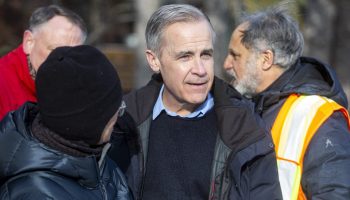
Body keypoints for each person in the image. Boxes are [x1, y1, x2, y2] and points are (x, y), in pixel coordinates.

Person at [108, 4, 282, 200]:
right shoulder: (122, 122)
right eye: (185, 56)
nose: (200, 69)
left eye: (206, 55)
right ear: (154, 60)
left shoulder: (245, 127)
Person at [223, 5, 350, 200]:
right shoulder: (248, 109)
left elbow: (336, 194)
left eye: (235, 55)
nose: (226, 64)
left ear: (266, 59)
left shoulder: (320, 117)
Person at [0, 45, 132, 200]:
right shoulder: (34, 193)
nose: (118, 118)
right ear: (89, 123)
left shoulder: (98, 159)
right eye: (117, 109)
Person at [0, 4, 87, 120]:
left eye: (74, 54)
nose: (65, 62)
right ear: (29, 42)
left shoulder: (82, 84)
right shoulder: (3, 84)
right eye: (55, 50)